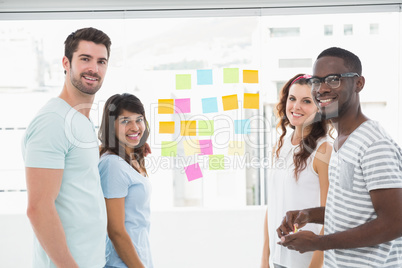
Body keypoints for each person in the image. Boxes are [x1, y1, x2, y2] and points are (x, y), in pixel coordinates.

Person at [277, 47, 402, 267]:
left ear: (359, 84)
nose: (322, 89)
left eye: (334, 80)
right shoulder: (341, 141)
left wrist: (320, 242)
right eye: (317, 81)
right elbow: (351, 213)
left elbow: (395, 223)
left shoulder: (374, 144)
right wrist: (307, 215)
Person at [22, 27, 111, 267]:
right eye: (85, 59)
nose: (94, 68)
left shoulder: (80, 120)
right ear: (66, 62)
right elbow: (38, 208)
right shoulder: (53, 121)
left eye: (101, 61)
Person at [260, 74, 333, 268]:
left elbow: (331, 217)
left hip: (306, 261)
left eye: (306, 101)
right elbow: (273, 203)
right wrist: (265, 258)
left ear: (320, 108)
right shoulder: (281, 143)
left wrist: (314, 266)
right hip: (278, 259)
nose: (296, 106)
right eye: (292, 99)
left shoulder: (323, 149)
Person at [98, 93, 153, 268]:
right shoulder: (113, 165)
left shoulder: (127, 159)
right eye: (125, 121)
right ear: (111, 126)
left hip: (136, 259)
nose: (135, 127)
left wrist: (135, 148)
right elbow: (115, 231)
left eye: (139, 119)